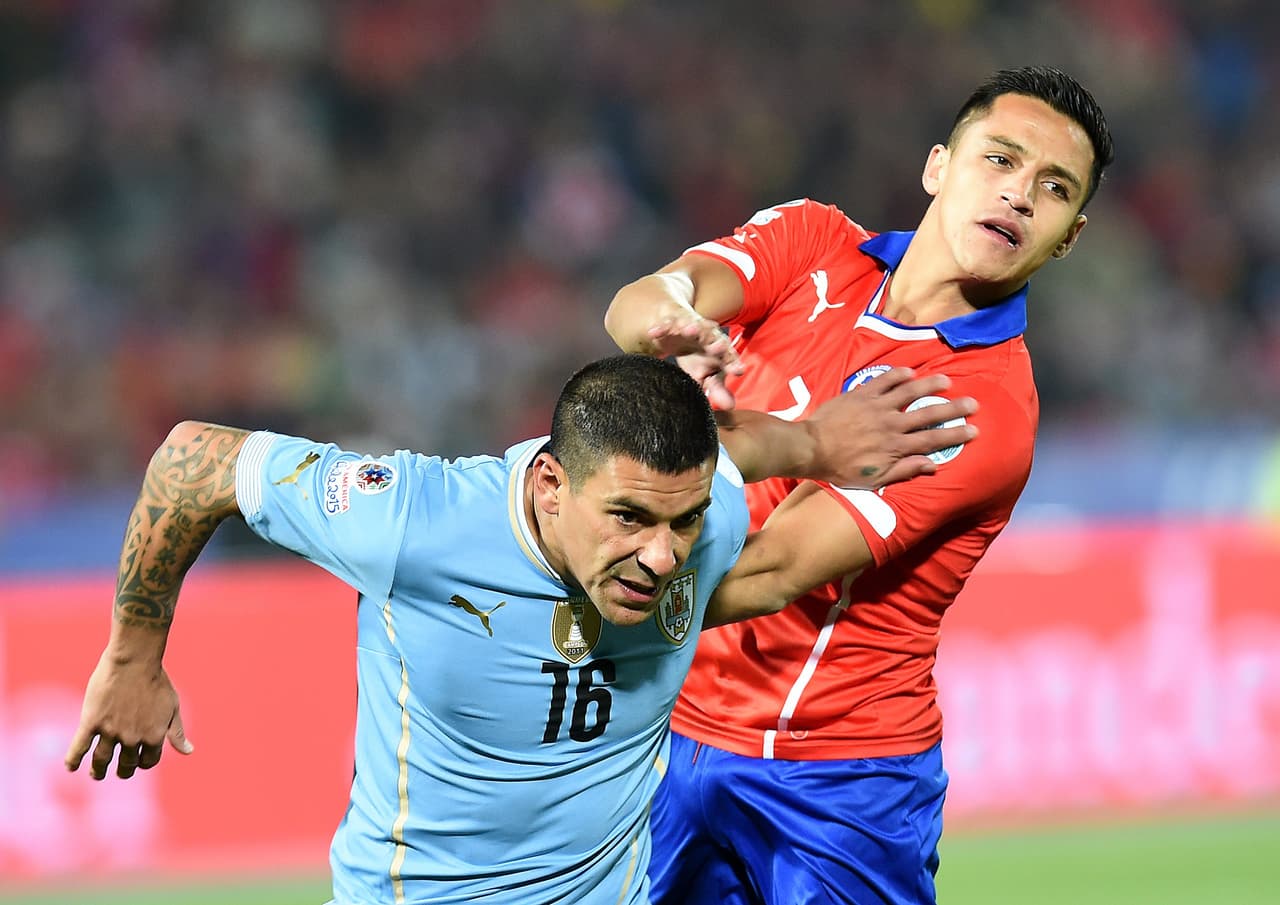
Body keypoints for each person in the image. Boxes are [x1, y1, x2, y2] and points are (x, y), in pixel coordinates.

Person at [64, 353, 977, 905]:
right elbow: (196, 460)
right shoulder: (414, 523)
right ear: (550, 486)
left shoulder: (708, 521)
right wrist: (134, 655)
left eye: (682, 522)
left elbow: (730, 455)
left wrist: (815, 443)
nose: (663, 556)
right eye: (626, 517)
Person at [604, 66, 1115, 905]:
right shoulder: (812, 242)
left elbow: (766, 574)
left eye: (1052, 188)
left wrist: (583, 585)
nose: (1019, 195)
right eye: (1000, 159)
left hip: (837, 782)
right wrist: (672, 319)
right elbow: (639, 305)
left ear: (1068, 235)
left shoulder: (979, 404)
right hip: (665, 736)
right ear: (938, 167)